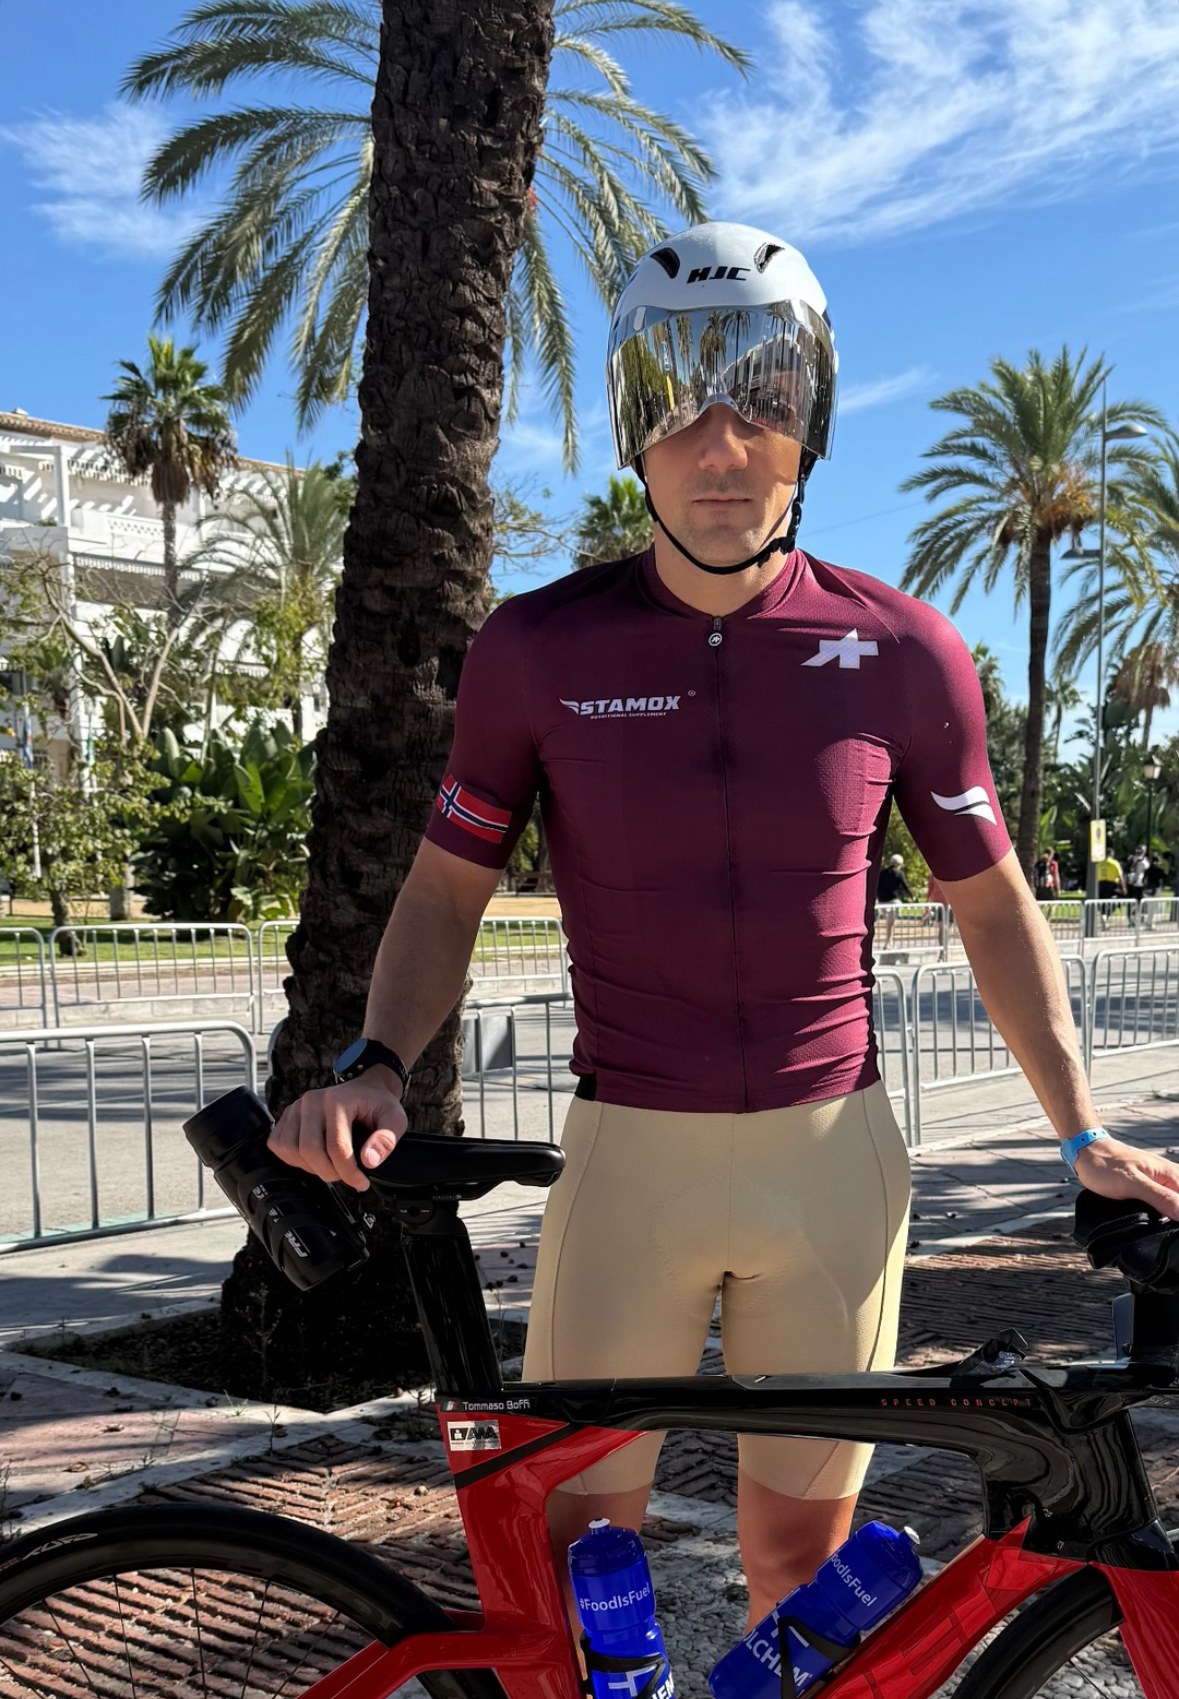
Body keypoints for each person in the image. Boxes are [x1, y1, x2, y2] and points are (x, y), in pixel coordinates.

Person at [267, 222, 1179, 1635]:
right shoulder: (536, 649)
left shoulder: (902, 649)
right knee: (578, 1576)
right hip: (627, 1158)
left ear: (811, 420)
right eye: (679, 396)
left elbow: (991, 902)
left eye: (761, 392)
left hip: (835, 1170)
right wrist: (378, 1054)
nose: (720, 440)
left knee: (798, 1584)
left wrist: (1077, 1125)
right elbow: (446, 885)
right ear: (632, 426)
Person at [877, 854, 914, 948]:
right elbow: (905, 886)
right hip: (893, 901)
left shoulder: (882, 872)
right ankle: (888, 943)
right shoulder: (899, 873)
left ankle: (889, 942)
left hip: (882, 901)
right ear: (900, 864)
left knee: (888, 923)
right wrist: (912, 896)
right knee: (891, 924)